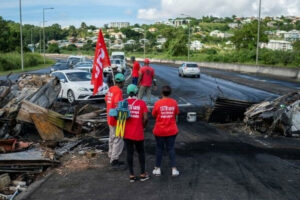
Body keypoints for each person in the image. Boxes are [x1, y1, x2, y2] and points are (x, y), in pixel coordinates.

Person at [123, 84, 150, 182]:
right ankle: (143, 174)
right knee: (141, 153)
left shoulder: (123, 102)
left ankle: (131, 175)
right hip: (138, 133)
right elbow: (146, 118)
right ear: (136, 92)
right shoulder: (141, 103)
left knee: (129, 153)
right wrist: (143, 126)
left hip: (126, 133)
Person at [152, 85, 180, 177]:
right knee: (171, 148)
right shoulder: (174, 102)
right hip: (171, 130)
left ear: (161, 93)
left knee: (159, 149)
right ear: (170, 93)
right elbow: (176, 113)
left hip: (160, 130)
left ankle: (157, 168)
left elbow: (154, 114)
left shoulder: (158, 103)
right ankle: (174, 169)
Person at [105, 73, 125, 168]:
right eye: (123, 82)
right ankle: (114, 159)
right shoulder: (118, 91)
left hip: (110, 117)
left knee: (112, 137)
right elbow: (118, 104)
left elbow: (106, 100)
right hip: (117, 119)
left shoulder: (111, 89)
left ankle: (110, 154)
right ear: (121, 82)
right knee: (119, 138)